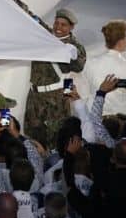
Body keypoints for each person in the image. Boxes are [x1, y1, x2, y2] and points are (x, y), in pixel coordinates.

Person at [24, 8, 86, 148]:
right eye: (56, 23)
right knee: (33, 137)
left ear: (71, 27)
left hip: (56, 98)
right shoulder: (45, 35)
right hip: (35, 95)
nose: (58, 27)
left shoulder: (75, 46)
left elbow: (78, 67)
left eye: (63, 25)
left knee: (55, 139)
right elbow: (29, 15)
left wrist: (71, 54)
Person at [81, 20, 126, 115]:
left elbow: (84, 93)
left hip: (95, 116)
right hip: (120, 120)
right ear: (120, 42)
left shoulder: (90, 63)